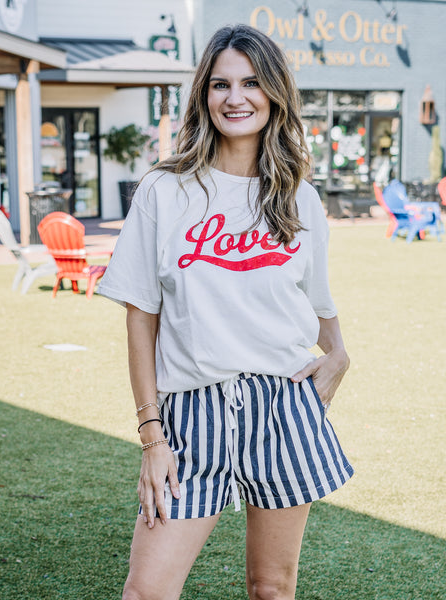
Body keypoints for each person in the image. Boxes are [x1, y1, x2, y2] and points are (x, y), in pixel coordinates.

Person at [98, 23, 353, 600]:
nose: (235, 97)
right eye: (220, 84)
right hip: (192, 412)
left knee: (271, 588)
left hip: (283, 406)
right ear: (203, 95)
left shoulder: (298, 198)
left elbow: (316, 299)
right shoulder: (165, 191)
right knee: (146, 592)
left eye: (251, 82)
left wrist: (338, 353)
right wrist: (151, 436)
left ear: (275, 94)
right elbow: (142, 315)